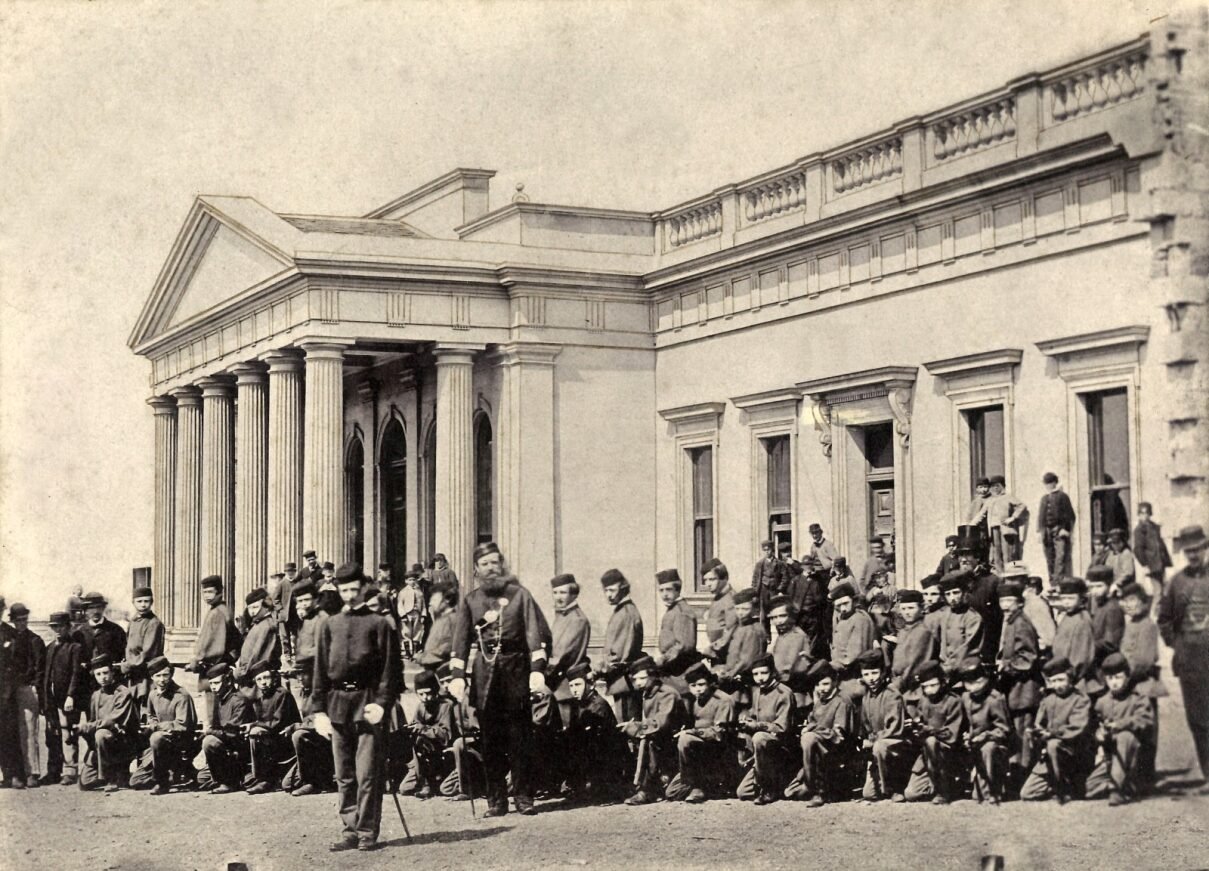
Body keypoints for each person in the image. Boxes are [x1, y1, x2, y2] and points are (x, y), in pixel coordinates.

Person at [448, 543, 547, 818]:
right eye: (485, 563)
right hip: (485, 675)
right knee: (491, 741)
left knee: (520, 738)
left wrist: (537, 668)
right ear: (476, 569)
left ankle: (524, 797)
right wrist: (458, 676)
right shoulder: (470, 600)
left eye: (495, 562)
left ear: (501, 565)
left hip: (516, 670)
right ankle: (496, 801)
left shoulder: (520, 595)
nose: (491, 567)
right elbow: (460, 641)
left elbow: (534, 634)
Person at [311, 562, 401, 850]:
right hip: (337, 705)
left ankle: (366, 831)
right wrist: (318, 710)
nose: (349, 595)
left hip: (367, 704)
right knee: (344, 774)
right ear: (337, 589)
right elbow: (320, 670)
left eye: (354, 589)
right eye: (344, 589)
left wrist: (383, 704)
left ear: (363, 588)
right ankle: (349, 829)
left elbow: (390, 670)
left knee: (367, 773)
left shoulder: (379, 624)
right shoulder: (329, 625)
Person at [1157, 524, 1209, 792]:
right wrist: (1177, 645)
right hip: (1190, 660)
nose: (1193, 555)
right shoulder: (1177, 582)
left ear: (1205, 548)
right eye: (1188, 551)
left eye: (1197, 549)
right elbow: (1164, 620)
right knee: (1199, 719)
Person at [1085, 652, 1155, 805]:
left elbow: (1145, 720)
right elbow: (1094, 726)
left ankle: (1117, 790)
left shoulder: (1137, 698)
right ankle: (1123, 785)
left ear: (1127, 677)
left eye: (1118, 677)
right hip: (1111, 757)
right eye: (1110, 679)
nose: (1114, 682)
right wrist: (1099, 734)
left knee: (1125, 736)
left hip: (1133, 757)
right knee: (1089, 789)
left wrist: (1120, 725)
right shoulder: (1102, 702)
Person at [1020, 657, 1094, 802]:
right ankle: (1057, 786)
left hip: (1071, 753)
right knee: (1027, 793)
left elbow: (1077, 727)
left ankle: (1065, 786)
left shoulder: (1080, 699)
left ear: (1070, 678)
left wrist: (1052, 734)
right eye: (1053, 681)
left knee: (1054, 744)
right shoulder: (1048, 700)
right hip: (1049, 756)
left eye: (1061, 680)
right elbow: (1039, 724)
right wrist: (1036, 733)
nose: (1057, 685)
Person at [619, 654, 688, 805]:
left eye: (642, 678)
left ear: (653, 675)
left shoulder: (667, 693)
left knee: (648, 740)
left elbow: (661, 723)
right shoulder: (648, 693)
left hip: (672, 739)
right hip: (660, 737)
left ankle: (645, 790)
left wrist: (637, 727)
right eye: (635, 679)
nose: (638, 683)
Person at [785, 660, 856, 806]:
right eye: (818, 685)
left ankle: (819, 791)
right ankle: (809, 784)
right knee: (791, 793)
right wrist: (808, 727)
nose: (821, 689)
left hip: (836, 753)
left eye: (825, 684)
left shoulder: (842, 701)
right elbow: (813, 720)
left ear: (835, 682)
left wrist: (813, 731)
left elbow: (839, 736)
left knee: (809, 738)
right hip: (818, 752)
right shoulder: (820, 701)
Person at [665, 661, 738, 803]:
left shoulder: (724, 700)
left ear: (710, 683)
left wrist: (692, 733)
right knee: (672, 793)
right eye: (693, 686)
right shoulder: (694, 701)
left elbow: (719, 734)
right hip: (698, 756)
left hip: (718, 753)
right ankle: (706, 785)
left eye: (701, 684)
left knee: (686, 739)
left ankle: (700, 786)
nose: (697, 689)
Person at [996, 579, 1042, 786]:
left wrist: (1006, 666)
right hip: (1015, 687)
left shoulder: (1021, 623)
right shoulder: (1011, 622)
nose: (1005, 605)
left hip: (1024, 688)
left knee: (1023, 734)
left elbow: (1028, 657)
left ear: (1019, 603)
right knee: (1017, 733)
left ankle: (1023, 778)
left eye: (1010, 601)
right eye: (1002, 601)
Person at [1118, 581, 1165, 789]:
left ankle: (1145, 779)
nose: (1128, 605)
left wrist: (1124, 678)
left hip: (1142, 685)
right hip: (1131, 684)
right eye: (1125, 601)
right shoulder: (1131, 625)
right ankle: (1136, 776)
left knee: (1146, 731)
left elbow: (1143, 661)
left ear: (1144, 604)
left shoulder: (1147, 626)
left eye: (1132, 601)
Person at [129, 656, 198, 794]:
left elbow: (182, 725)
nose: (162, 680)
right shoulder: (153, 695)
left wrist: (157, 727)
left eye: (165, 675)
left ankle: (162, 782)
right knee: (135, 781)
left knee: (156, 737)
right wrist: (153, 724)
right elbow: (151, 716)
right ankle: (174, 775)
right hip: (159, 744)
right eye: (157, 676)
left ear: (171, 674)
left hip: (178, 743)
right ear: (152, 677)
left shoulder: (181, 695)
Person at [902, 660, 967, 804]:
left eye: (933, 685)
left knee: (931, 742)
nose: (930, 690)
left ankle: (944, 790)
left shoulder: (953, 701)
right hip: (927, 755)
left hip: (947, 754)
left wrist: (929, 731)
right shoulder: (924, 701)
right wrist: (914, 727)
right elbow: (920, 724)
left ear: (943, 683)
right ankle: (944, 786)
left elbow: (951, 735)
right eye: (925, 687)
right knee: (911, 794)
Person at [563, 661, 629, 802]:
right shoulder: (578, 704)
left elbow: (600, 740)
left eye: (578, 685)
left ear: (590, 684)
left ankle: (602, 788)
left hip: (607, 755)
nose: (574, 690)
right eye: (571, 686)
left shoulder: (598, 705)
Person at [736, 654, 795, 804]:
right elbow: (755, 716)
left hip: (781, 747)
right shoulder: (757, 692)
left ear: (773, 672)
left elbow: (782, 727)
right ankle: (775, 781)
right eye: (756, 674)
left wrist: (758, 726)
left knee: (760, 737)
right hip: (762, 752)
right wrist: (746, 720)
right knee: (743, 793)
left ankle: (769, 788)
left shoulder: (784, 693)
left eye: (764, 673)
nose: (760, 678)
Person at [78, 655, 137, 792]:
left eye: (105, 673)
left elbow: (113, 720)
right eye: (98, 674)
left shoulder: (122, 692)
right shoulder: (96, 695)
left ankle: (113, 775)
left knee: (101, 734)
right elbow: (93, 721)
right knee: (85, 783)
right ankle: (112, 771)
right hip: (102, 745)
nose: (102, 677)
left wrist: (90, 726)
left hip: (122, 740)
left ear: (112, 673)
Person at [41, 611, 88, 786]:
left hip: (67, 698)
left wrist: (70, 696)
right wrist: (45, 699)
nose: (58, 630)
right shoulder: (50, 648)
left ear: (68, 627)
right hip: (51, 698)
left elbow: (76, 674)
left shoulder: (75, 648)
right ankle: (54, 771)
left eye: (61, 627)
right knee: (52, 734)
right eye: (54, 627)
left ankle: (70, 770)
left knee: (68, 733)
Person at [857, 648, 909, 802]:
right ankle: (881, 781)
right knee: (869, 794)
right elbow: (866, 727)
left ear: (882, 672)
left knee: (880, 746)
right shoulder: (866, 696)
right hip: (877, 748)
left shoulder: (891, 694)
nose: (871, 678)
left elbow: (894, 729)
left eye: (874, 673)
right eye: (866, 674)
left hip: (896, 744)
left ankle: (895, 786)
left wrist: (872, 741)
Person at [959, 658, 1012, 804]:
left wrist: (985, 736)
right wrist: (966, 735)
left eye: (977, 682)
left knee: (988, 749)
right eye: (969, 683)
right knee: (978, 796)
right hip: (974, 747)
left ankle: (996, 787)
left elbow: (1004, 730)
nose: (973, 687)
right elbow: (965, 723)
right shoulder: (965, 698)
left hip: (994, 747)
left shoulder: (994, 699)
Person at [188, 575, 240, 717]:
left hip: (214, 668)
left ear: (220, 592)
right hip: (219, 666)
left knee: (213, 710)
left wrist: (196, 661)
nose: (207, 596)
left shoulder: (217, 612)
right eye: (204, 592)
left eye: (210, 592)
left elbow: (212, 646)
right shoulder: (220, 609)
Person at [246, 660, 300, 794]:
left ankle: (266, 779)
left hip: (285, 741)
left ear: (274, 677)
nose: (263, 682)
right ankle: (261, 776)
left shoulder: (282, 694)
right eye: (259, 679)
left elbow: (277, 724)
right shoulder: (259, 698)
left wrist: (254, 725)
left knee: (256, 732)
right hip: (271, 741)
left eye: (266, 677)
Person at [400, 669, 456, 798]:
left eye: (428, 693)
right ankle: (426, 780)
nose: (425, 698)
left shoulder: (446, 706)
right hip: (424, 756)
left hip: (442, 752)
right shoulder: (421, 707)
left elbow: (446, 736)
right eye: (421, 694)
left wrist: (423, 729)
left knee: (421, 740)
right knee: (405, 788)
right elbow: (415, 726)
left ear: (435, 691)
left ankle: (428, 784)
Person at [547, 573, 591, 733]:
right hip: (555, 686)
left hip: (565, 687)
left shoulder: (577, 620)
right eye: (555, 592)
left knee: (566, 736)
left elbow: (561, 657)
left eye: (563, 593)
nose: (558, 597)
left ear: (574, 594)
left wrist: (539, 674)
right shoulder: (561, 617)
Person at [200, 663, 254, 794]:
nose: (213, 688)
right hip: (226, 746)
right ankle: (224, 777)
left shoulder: (239, 700)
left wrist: (209, 731)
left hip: (238, 749)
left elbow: (233, 734)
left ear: (228, 681)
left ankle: (229, 782)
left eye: (216, 683)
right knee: (201, 779)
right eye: (211, 684)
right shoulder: (219, 699)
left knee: (209, 742)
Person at [599, 568, 644, 722]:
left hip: (625, 682)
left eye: (612, 590)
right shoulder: (621, 612)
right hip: (620, 682)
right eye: (606, 590)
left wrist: (599, 670)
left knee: (628, 727)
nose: (608, 595)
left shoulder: (626, 614)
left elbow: (619, 656)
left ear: (623, 588)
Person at [8, 604, 45, 787]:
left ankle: (33, 773)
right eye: (18, 620)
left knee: (29, 731)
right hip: (8, 690)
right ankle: (16, 773)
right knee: (11, 732)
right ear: (12, 620)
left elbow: (39, 668)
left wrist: (35, 687)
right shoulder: (9, 638)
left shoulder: (34, 640)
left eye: (24, 620)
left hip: (26, 688)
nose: (21, 623)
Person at [1052, 577, 1100, 698]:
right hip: (1063, 678)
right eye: (1063, 598)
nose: (1066, 602)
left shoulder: (1082, 621)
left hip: (1076, 683)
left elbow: (1081, 658)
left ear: (1081, 599)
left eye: (1071, 598)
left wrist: (1069, 677)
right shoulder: (1067, 617)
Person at [768, 595, 818, 710]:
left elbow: (788, 668)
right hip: (785, 687)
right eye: (774, 617)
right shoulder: (783, 635)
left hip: (795, 691)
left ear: (791, 616)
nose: (778, 621)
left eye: (782, 616)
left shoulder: (797, 636)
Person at [829, 581, 877, 700]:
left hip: (854, 680)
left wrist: (828, 667)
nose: (843, 609)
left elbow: (852, 657)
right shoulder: (845, 618)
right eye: (838, 606)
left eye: (846, 603)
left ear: (854, 601)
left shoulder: (860, 619)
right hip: (844, 679)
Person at [715, 588, 766, 696]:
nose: (741, 613)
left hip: (743, 680)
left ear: (754, 610)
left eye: (745, 609)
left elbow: (747, 660)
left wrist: (731, 673)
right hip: (732, 674)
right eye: (737, 609)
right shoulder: (739, 627)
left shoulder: (753, 630)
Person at [653, 569, 698, 692]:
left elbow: (683, 645)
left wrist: (662, 660)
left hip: (680, 672)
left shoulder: (682, 612)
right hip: (671, 670)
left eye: (669, 590)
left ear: (678, 590)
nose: (665, 594)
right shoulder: (673, 610)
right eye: (661, 590)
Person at [889, 589, 935, 709]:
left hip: (913, 689)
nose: (907, 613)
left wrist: (897, 685)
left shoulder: (923, 631)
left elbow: (914, 665)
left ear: (921, 609)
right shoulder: (904, 631)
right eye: (903, 609)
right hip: (900, 685)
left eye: (911, 608)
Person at [76, 592, 127, 687]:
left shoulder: (116, 630)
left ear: (103, 609)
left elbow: (123, 656)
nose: (95, 611)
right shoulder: (79, 633)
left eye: (98, 607)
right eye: (91, 608)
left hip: (110, 681)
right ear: (85, 611)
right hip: (86, 682)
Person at [123, 586, 165, 701]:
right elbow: (129, 645)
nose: (143, 605)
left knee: (146, 704)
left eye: (146, 601)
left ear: (151, 602)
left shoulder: (154, 623)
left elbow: (148, 652)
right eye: (139, 601)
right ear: (133, 603)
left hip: (146, 672)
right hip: (134, 672)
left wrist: (129, 665)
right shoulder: (133, 621)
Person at [938, 572, 983, 677]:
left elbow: (967, 647)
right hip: (945, 670)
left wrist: (947, 667)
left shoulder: (973, 617)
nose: (952, 598)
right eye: (948, 594)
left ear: (964, 593)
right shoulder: (945, 614)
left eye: (956, 593)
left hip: (965, 670)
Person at [235, 587, 280, 684]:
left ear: (266, 606)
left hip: (258, 678)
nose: (252, 612)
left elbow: (257, 655)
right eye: (250, 608)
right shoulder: (258, 624)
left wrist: (241, 673)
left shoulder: (266, 626)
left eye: (255, 607)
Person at [1037, 472, 1076, 582]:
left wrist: (1066, 529)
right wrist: (1040, 532)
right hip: (1046, 532)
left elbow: (1071, 515)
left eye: (1050, 483)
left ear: (1055, 483)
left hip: (1059, 530)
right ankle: (1052, 582)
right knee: (1049, 557)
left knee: (1060, 556)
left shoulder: (1063, 496)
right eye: (1046, 483)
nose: (1048, 486)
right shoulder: (1044, 498)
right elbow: (1040, 517)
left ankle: (1059, 582)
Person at [1088, 564, 1125, 669]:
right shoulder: (1101, 605)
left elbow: (1110, 643)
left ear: (1109, 586)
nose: (1094, 591)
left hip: (1107, 664)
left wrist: (1086, 645)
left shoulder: (1112, 608)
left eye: (1099, 586)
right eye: (1092, 587)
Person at [1132, 502, 1173, 597]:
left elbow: (1161, 545)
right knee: (1158, 592)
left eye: (1147, 513)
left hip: (1160, 563)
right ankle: (1153, 612)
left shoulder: (1154, 527)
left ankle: (1162, 612)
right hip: (1152, 565)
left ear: (1150, 514)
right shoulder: (1139, 530)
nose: (1145, 516)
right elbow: (1138, 550)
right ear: (1139, 515)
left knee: (1164, 592)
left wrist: (1166, 561)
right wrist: (1145, 564)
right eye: (1142, 514)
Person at [701, 560, 736, 665]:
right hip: (718, 654)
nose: (707, 584)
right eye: (705, 580)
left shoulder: (730, 599)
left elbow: (731, 631)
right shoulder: (718, 597)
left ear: (724, 578)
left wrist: (713, 648)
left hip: (726, 655)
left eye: (712, 579)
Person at [416, 586, 456, 669]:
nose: (430, 603)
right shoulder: (441, 619)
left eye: (434, 600)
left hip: (442, 668)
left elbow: (448, 646)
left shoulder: (452, 620)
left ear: (447, 600)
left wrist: (423, 657)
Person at [1018, 570, 1056, 653]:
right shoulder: (1028, 601)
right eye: (1029, 588)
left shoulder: (1041, 602)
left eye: (1033, 588)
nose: (1032, 591)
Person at [751, 540, 786, 628]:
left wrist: (780, 588)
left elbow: (785, 577)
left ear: (772, 550)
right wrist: (754, 592)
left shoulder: (779, 563)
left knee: (776, 611)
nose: (767, 552)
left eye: (768, 549)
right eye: (765, 550)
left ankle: (779, 630)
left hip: (774, 590)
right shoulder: (760, 564)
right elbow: (755, 578)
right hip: (763, 589)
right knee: (763, 613)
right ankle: (766, 636)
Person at [397, 566, 428, 659]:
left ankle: (414, 651)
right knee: (406, 632)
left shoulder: (419, 592)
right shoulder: (403, 592)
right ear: (406, 581)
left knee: (417, 632)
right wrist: (403, 615)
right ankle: (407, 652)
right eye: (410, 580)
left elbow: (423, 604)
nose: (412, 582)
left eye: (414, 579)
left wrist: (423, 614)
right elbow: (400, 604)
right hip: (407, 614)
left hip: (417, 613)